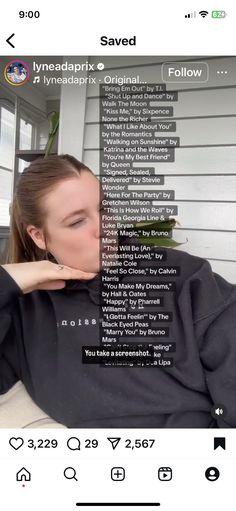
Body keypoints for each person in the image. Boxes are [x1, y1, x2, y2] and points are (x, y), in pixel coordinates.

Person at [0, 154, 236, 428]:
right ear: (38, 236)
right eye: (77, 222)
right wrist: (6, 280)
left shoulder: (185, 279)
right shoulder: (26, 311)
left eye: (103, 209)